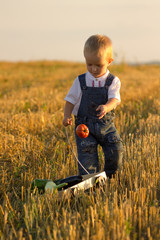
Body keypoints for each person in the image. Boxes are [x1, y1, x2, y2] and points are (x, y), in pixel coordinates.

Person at [63, 34, 123, 178]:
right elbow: (70, 99)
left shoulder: (113, 81)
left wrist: (106, 107)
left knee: (116, 150)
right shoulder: (81, 81)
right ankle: (91, 183)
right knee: (87, 157)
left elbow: (115, 99)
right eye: (89, 64)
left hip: (106, 126)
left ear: (109, 61)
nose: (94, 69)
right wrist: (67, 115)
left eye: (98, 65)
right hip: (84, 128)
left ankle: (109, 176)